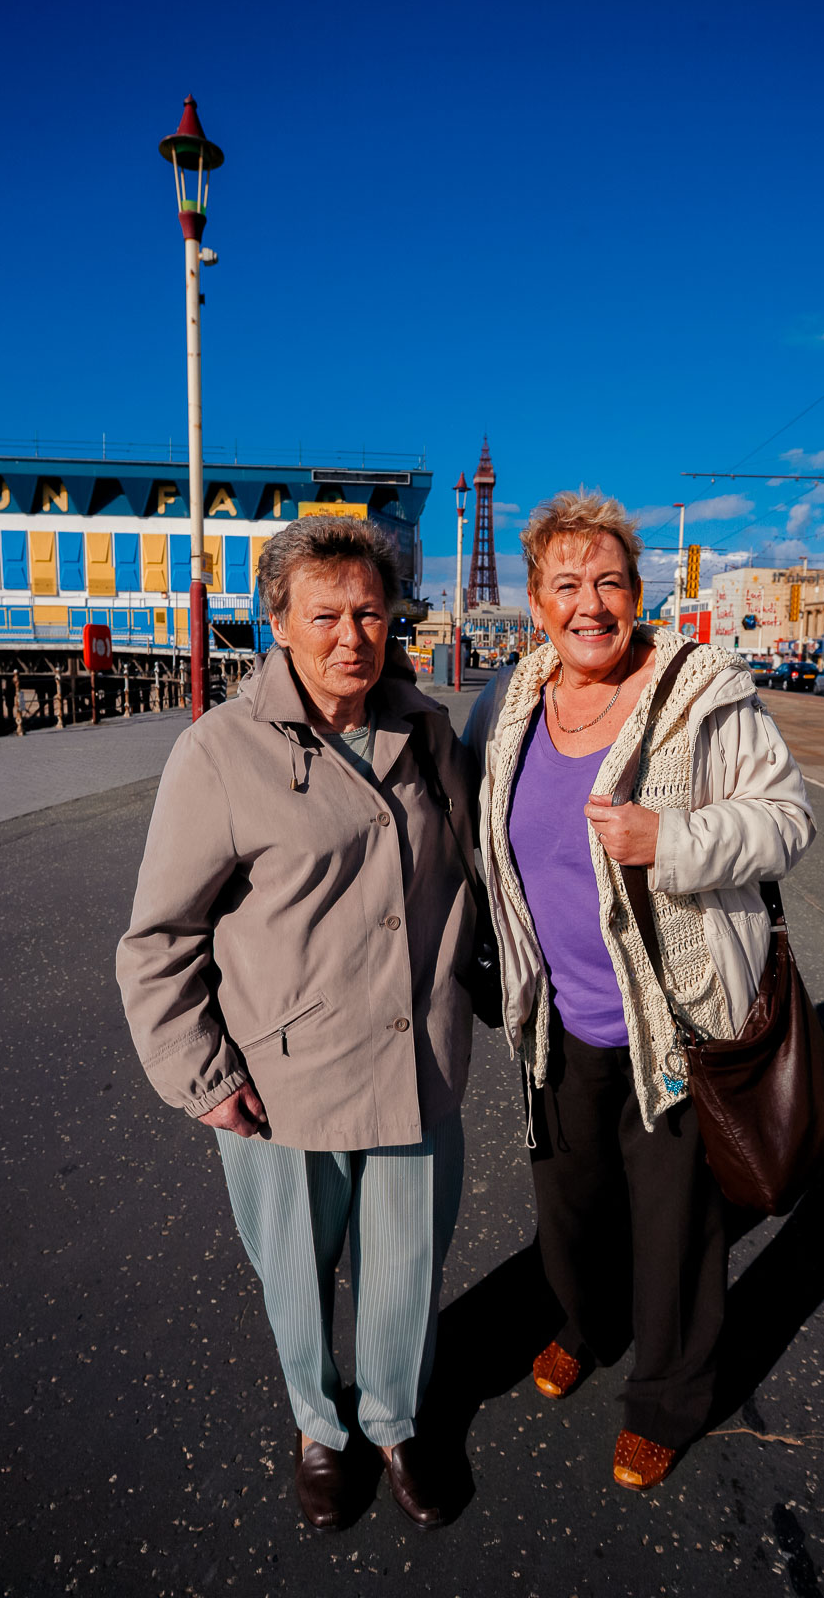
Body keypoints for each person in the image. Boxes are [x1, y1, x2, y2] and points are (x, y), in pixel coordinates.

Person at [117, 517, 476, 1531]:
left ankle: (397, 1424)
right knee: (294, 1270)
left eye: (369, 610)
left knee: (406, 1269)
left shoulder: (428, 731)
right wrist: (200, 1074)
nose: (349, 635)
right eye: (322, 614)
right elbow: (158, 939)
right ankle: (321, 1425)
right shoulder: (219, 753)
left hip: (416, 1065)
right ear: (278, 622)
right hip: (282, 1080)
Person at [464, 490, 815, 1490]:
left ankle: (666, 1394)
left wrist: (676, 840)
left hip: (674, 1016)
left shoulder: (700, 689)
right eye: (565, 584)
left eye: (608, 581)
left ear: (636, 591)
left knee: (674, 1227)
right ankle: (584, 1320)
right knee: (566, 1202)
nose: (589, 604)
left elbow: (784, 817)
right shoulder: (513, 700)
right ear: (534, 602)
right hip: (559, 1012)